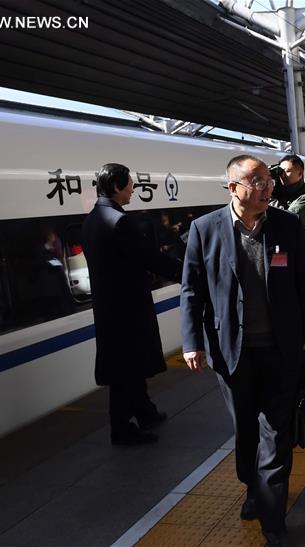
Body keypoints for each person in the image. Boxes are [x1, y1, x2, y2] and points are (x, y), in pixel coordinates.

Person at [180, 155, 305, 546]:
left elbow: (301, 281)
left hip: (282, 349)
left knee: (275, 434)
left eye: (268, 180)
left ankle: (274, 520)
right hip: (232, 353)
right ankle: (253, 489)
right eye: (256, 181)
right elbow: (191, 290)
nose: (266, 187)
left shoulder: (287, 225)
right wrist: (191, 341)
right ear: (233, 187)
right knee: (245, 431)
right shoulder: (204, 229)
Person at [81, 163, 182, 445]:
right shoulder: (119, 221)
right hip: (128, 307)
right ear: (116, 186)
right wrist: (186, 273)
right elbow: (149, 258)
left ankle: (145, 411)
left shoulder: (91, 219)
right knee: (126, 366)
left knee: (128, 363)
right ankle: (121, 428)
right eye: (130, 184)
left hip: (108, 306)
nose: (133, 189)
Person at [271, 154, 305, 229]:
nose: (282, 176)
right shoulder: (280, 192)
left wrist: (268, 194)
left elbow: (283, 221)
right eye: (280, 172)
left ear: (300, 173)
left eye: (287, 171)